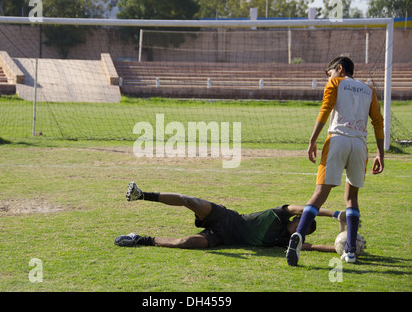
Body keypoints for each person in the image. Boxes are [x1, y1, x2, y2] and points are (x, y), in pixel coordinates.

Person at [286, 56, 384, 266]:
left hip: (337, 140)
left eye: (329, 73)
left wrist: (313, 140)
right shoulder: (369, 89)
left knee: (320, 194)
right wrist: (380, 154)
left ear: (339, 69)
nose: (328, 77)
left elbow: (326, 108)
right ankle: (350, 252)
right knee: (351, 198)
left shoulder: (335, 83)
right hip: (359, 145)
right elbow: (378, 121)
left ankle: (299, 235)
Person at [115, 182, 344, 253]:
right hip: (226, 218)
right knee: (190, 200)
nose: (299, 229)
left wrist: (341, 248)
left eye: (303, 230)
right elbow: (301, 207)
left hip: (221, 238)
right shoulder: (280, 213)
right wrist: (334, 214)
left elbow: (314, 247)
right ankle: (142, 195)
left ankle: (141, 239)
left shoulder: (286, 242)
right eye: (300, 225)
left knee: (187, 243)